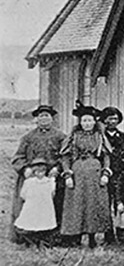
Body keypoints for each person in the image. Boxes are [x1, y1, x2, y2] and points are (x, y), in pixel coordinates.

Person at [10, 104, 66, 243]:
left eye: (47, 115)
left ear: (52, 118)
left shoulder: (60, 136)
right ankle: (29, 236)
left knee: (54, 205)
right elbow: (18, 157)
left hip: (52, 177)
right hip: (33, 177)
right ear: (37, 119)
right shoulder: (28, 137)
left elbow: (65, 156)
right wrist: (25, 169)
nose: (44, 119)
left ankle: (53, 236)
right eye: (41, 116)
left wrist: (57, 169)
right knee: (30, 206)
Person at [60, 104, 112, 247]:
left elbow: (107, 157)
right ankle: (78, 237)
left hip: (95, 172)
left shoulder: (99, 136)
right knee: (78, 204)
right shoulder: (73, 136)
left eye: (89, 121)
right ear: (80, 122)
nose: (87, 124)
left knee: (95, 204)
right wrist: (67, 175)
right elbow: (65, 157)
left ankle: (95, 237)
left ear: (94, 121)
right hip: (77, 173)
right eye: (84, 121)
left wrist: (105, 173)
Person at [100, 106, 124, 243]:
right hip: (104, 175)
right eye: (109, 118)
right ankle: (108, 235)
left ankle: (123, 234)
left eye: (115, 119)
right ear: (104, 120)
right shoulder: (100, 137)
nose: (112, 121)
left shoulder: (123, 137)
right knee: (105, 205)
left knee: (120, 204)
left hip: (120, 175)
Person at [14, 158, 58, 247]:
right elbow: (23, 194)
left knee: (44, 223)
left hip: (44, 205)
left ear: (45, 171)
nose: (40, 174)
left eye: (42, 171)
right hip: (32, 205)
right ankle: (30, 241)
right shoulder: (29, 182)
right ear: (34, 172)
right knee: (30, 222)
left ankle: (42, 241)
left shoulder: (49, 182)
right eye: (37, 172)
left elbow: (52, 193)